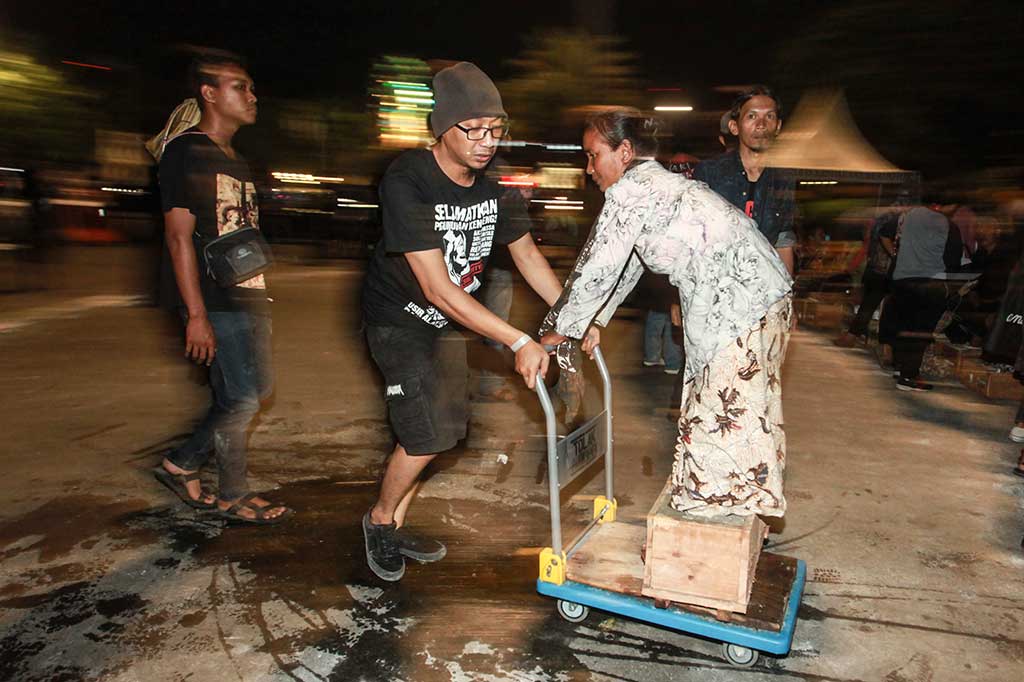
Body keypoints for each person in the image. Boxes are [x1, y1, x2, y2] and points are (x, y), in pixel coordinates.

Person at [359, 62, 595, 581]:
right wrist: (517, 341)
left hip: (447, 324)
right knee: (423, 435)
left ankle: (395, 522)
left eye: (497, 129)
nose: (488, 141)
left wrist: (576, 316)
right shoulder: (408, 180)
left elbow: (530, 258)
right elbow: (437, 288)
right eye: (475, 130)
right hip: (399, 318)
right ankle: (379, 521)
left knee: (445, 432)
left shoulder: (495, 188)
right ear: (442, 127)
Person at [541, 108, 793, 519]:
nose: (589, 168)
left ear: (624, 152)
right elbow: (629, 265)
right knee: (743, 411)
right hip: (763, 298)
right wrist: (595, 322)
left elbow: (600, 266)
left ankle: (710, 518)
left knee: (721, 414)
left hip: (737, 306)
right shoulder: (655, 185)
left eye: (593, 155)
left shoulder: (631, 191)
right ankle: (739, 502)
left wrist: (559, 331)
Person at [153, 53, 291, 525]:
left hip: (251, 293)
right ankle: (215, 482)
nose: (252, 97)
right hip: (214, 299)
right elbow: (177, 237)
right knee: (242, 399)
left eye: (251, 88)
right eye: (240, 87)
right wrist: (195, 314)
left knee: (253, 392)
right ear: (209, 93)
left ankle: (197, 471)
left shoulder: (236, 159)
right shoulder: (185, 151)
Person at [694, 86, 797, 275]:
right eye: (752, 116)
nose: (761, 124)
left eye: (769, 117)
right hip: (716, 286)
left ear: (778, 127)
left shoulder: (784, 178)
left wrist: (787, 295)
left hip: (763, 286)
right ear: (734, 127)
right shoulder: (709, 173)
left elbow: (784, 240)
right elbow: (692, 237)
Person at [880, 195, 962, 391]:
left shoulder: (905, 216)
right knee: (920, 331)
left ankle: (901, 368)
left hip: (901, 279)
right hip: (930, 282)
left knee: (904, 325)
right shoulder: (948, 225)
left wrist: (895, 254)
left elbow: (884, 233)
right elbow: (952, 260)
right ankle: (909, 376)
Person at [834, 198, 905, 346]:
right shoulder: (895, 220)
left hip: (878, 267)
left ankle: (855, 336)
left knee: (870, 304)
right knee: (877, 305)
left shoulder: (882, 220)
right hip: (883, 268)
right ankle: (867, 338)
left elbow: (870, 243)